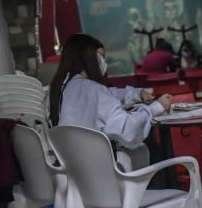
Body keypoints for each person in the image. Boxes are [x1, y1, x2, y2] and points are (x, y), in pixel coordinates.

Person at [49, 33, 172, 172]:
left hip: (76, 173)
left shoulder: (60, 89)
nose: (103, 61)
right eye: (100, 55)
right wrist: (156, 107)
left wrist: (137, 94)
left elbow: (109, 95)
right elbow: (127, 129)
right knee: (150, 147)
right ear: (88, 57)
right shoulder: (93, 90)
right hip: (101, 173)